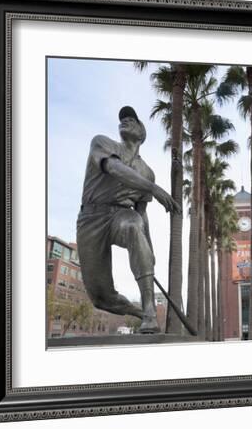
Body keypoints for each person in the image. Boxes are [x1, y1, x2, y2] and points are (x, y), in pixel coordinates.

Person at [76, 106, 181, 334]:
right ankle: (140, 313)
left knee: (133, 225)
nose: (125, 120)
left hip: (120, 215)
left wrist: (148, 250)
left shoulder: (147, 172)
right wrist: (155, 189)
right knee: (101, 297)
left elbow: (141, 214)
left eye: (131, 119)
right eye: (123, 119)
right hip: (91, 217)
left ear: (142, 133)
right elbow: (114, 169)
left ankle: (150, 310)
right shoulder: (102, 143)